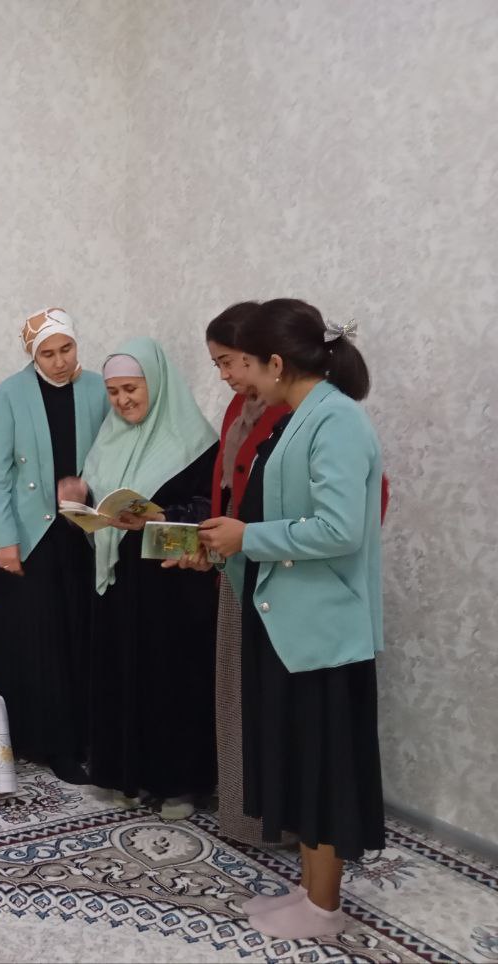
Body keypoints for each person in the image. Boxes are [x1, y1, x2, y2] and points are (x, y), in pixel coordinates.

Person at [199, 300, 384, 939]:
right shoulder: (298, 418)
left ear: (275, 362)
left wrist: (247, 537)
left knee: (322, 767)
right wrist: (221, 544)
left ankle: (324, 907)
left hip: (322, 633)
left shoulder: (337, 420)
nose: (237, 378)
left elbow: (338, 528)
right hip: (287, 623)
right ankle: (310, 890)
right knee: (300, 760)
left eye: (242, 364)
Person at [82, 337, 219, 818]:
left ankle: (179, 784)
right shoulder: (108, 439)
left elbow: (213, 509)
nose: (122, 401)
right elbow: (100, 502)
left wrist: (160, 516)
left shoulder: (195, 442)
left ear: (156, 384)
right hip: (121, 580)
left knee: (172, 678)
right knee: (124, 673)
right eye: (114, 392)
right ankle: (129, 773)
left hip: (174, 585)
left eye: (131, 389)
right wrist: (82, 503)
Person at [0, 308, 109, 783]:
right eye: (48, 353)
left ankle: (86, 738)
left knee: (81, 636)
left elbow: (111, 453)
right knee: (41, 642)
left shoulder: (98, 388)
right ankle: (49, 744)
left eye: (66, 349)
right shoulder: (11, 392)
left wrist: (89, 491)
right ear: (33, 356)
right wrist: (5, 542)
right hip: (30, 537)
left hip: (83, 531)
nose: (59, 361)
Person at [205, 304, 291, 845]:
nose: (225, 375)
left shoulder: (298, 413)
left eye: (228, 361)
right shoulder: (240, 405)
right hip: (238, 559)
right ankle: (243, 814)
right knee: (236, 689)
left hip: (276, 566)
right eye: (216, 364)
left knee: (270, 697)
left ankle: (278, 820)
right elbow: (227, 485)